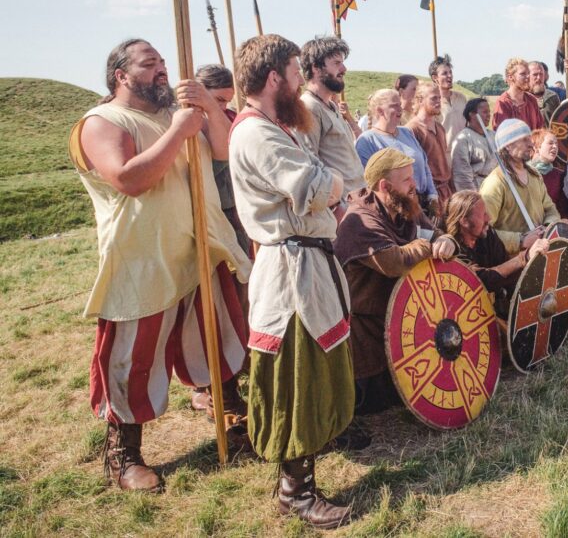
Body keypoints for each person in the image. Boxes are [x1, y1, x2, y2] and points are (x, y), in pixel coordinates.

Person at [70, 39, 251, 493]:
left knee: (217, 335)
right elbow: (129, 179)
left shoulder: (178, 113)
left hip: (197, 245)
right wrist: (178, 131)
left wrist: (208, 105)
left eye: (163, 64)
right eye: (149, 65)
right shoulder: (102, 121)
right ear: (121, 76)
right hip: (142, 257)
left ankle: (229, 415)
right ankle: (123, 455)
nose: (162, 71)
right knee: (135, 357)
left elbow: (224, 150)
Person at [227, 34, 355, 528]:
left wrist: (330, 179)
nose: (302, 79)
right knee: (295, 375)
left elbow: (330, 174)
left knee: (316, 366)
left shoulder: (277, 126)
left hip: (308, 261)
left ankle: (304, 478)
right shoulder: (256, 133)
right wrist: (332, 184)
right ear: (275, 77)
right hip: (289, 272)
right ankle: (296, 492)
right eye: (297, 70)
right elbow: (318, 186)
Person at [334, 149, 456, 413]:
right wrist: (426, 245)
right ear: (385, 186)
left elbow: (435, 232)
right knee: (377, 403)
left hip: (405, 318)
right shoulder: (360, 221)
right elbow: (394, 262)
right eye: (407, 180)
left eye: (412, 177)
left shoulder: (403, 204)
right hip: (366, 324)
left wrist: (446, 240)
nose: (415, 185)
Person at [445, 190, 547, 317]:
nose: (489, 218)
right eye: (483, 215)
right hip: (470, 316)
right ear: (464, 221)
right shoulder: (452, 250)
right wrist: (523, 258)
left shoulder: (487, 235)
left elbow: (505, 267)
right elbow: (480, 281)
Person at [298, 36, 366, 217]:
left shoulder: (331, 106)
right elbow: (309, 164)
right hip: (342, 209)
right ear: (315, 67)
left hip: (357, 202)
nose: (343, 69)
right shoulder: (309, 107)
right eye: (336, 63)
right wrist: (337, 208)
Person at [356, 89, 440, 222]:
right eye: (394, 106)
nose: (400, 109)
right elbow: (371, 182)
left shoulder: (407, 132)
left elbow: (424, 165)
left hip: (424, 204)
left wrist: (432, 196)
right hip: (397, 209)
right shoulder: (367, 140)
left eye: (400, 105)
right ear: (380, 110)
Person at [480, 119, 561, 256]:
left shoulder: (535, 176)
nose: (531, 144)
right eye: (524, 140)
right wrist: (520, 240)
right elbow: (483, 230)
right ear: (508, 146)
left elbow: (550, 209)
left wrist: (547, 228)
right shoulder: (496, 183)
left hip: (541, 253)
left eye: (529, 138)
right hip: (512, 262)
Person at [195, 63, 251, 254]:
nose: (222, 106)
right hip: (208, 205)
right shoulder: (185, 117)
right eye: (218, 99)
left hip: (236, 200)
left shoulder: (229, 116)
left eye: (226, 101)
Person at [405, 81, 456, 210]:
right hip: (429, 195)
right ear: (421, 100)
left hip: (446, 192)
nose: (439, 101)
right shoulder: (412, 129)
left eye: (439, 97)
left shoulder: (439, 127)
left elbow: (445, 163)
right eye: (434, 98)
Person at [450, 97, 497, 191]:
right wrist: (473, 197)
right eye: (484, 112)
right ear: (472, 114)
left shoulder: (494, 136)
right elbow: (462, 174)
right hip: (477, 187)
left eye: (489, 112)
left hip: (496, 185)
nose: (488, 115)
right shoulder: (463, 139)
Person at [492, 57, 546, 131]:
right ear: (510, 77)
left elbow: (540, 130)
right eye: (523, 74)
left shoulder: (531, 100)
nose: (528, 76)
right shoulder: (503, 103)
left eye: (528, 73)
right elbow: (502, 137)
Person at [529, 128, 568, 218]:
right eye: (550, 143)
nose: (555, 147)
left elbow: (563, 207)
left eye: (556, 144)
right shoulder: (523, 173)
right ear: (536, 147)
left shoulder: (559, 175)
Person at [431, 54, 467, 145]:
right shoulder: (433, 103)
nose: (450, 75)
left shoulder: (461, 98)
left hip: (465, 152)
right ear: (435, 78)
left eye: (450, 72)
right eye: (445, 73)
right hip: (445, 155)